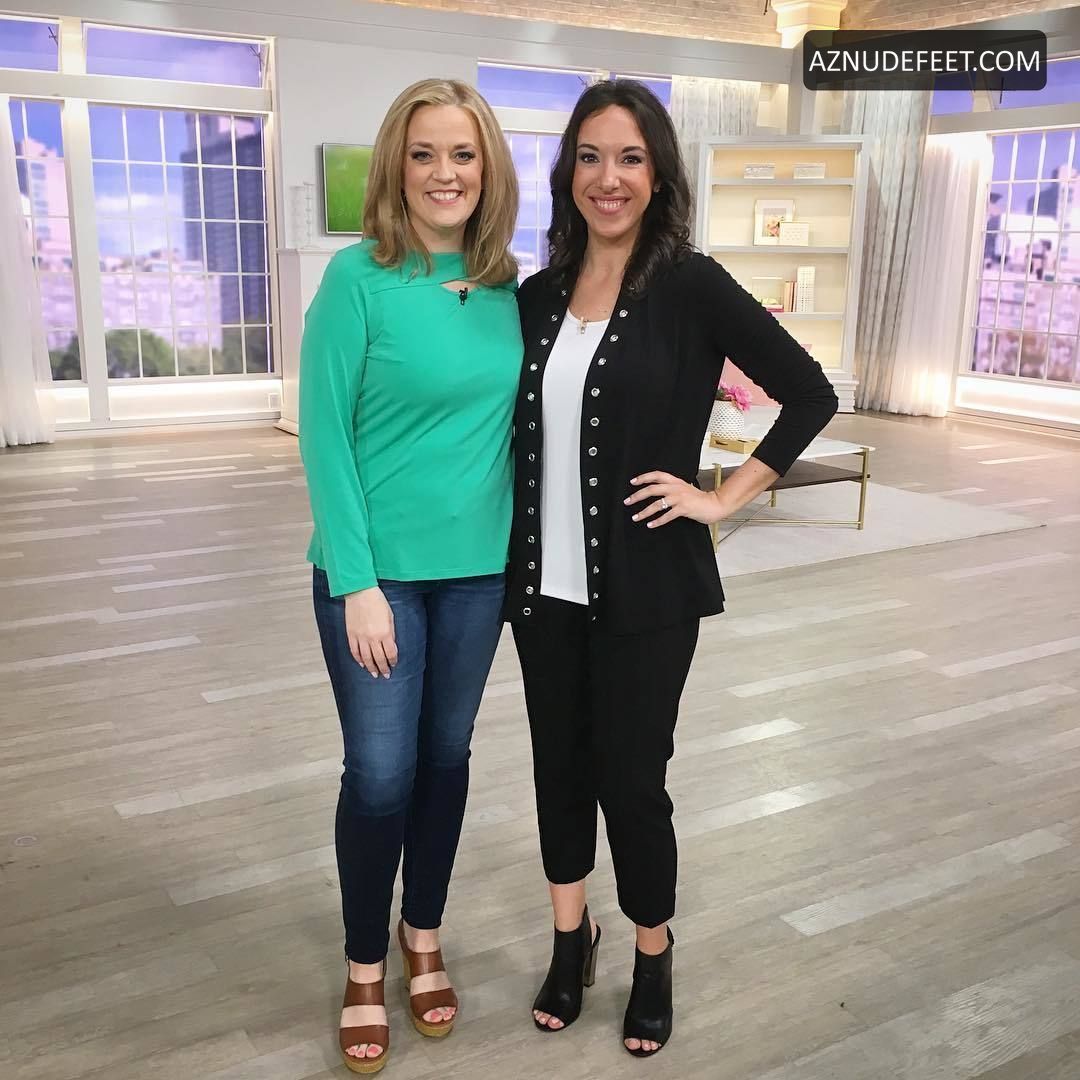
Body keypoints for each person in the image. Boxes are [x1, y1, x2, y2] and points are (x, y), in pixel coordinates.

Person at [505, 79, 838, 1058]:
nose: (608, 178)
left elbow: (809, 393)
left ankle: (652, 953)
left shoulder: (689, 285)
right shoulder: (535, 298)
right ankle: (571, 940)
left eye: (631, 158)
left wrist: (723, 497)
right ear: (567, 171)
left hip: (648, 588)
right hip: (541, 589)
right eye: (591, 157)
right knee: (558, 769)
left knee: (632, 780)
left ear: (658, 175)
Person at [298, 78, 521, 1075]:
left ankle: (421, 933)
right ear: (396, 165)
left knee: (446, 758)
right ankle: (362, 964)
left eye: (463, 154)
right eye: (424, 153)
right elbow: (323, 435)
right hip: (377, 579)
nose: (444, 173)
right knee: (381, 772)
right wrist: (357, 581)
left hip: (479, 576)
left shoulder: (511, 286)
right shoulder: (357, 279)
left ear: (488, 168)